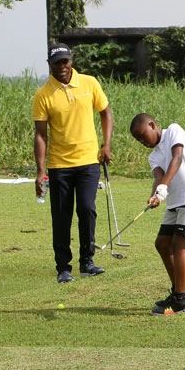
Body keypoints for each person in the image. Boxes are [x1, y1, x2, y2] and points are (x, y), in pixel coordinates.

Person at [33, 43, 113, 283]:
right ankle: (63, 268)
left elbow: (105, 112)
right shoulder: (43, 95)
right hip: (59, 165)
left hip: (89, 161)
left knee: (87, 209)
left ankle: (87, 262)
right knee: (61, 216)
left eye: (66, 61)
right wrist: (39, 171)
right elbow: (40, 135)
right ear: (50, 65)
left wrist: (106, 144)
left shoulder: (89, 83)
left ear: (71, 61)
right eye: (57, 63)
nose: (63, 67)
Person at [129, 113, 185, 315]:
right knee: (162, 244)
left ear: (152, 124)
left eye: (142, 135)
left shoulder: (173, 130)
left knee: (178, 244)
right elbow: (158, 176)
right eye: (138, 140)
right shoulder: (153, 155)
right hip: (174, 202)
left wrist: (164, 186)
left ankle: (180, 301)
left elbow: (177, 158)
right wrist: (154, 195)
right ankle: (180, 293)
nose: (142, 142)